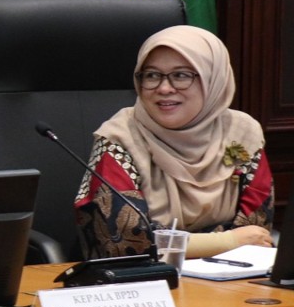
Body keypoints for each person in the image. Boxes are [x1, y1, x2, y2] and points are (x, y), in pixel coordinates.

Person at [74, 25, 274, 260]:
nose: (164, 88)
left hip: (230, 278)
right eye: (152, 75)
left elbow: (255, 231)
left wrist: (175, 242)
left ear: (213, 79)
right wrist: (226, 240)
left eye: (181, 75)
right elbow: (127, 243)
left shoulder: (241, 133)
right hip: (142, 285)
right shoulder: (119, 138)